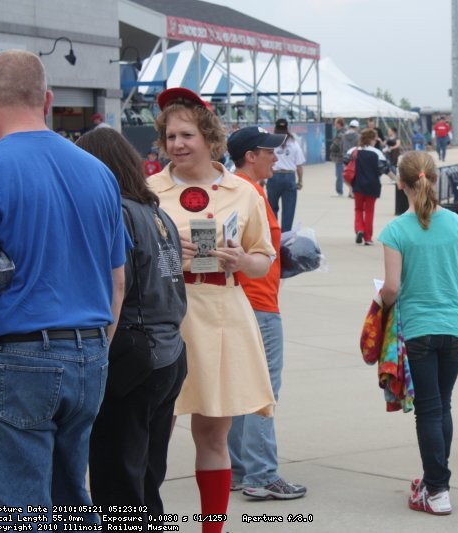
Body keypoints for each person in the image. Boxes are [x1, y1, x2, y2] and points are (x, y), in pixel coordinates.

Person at [0, 50, 126, 524]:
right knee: (70, 495)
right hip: (89, 354)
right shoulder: (98, 171)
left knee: (19, 505)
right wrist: (98, 346)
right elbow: (117, 279)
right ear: (46, 99)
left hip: (20, 354)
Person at [146, 87, 276, 533]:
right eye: (169, 137)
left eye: (186, 135)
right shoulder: (149, 192)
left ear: (208, 137)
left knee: (213, 433)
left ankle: (212, 529)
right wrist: (168, 254)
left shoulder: (243, 192)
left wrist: (243, 261)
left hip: (221, 311)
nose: (177, 144)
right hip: (165, 315)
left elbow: (265, 258)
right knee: (151, 433)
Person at [75, 127, 188, 520]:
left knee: (116, 482)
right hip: (169, 352)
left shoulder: (118, 212)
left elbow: (114, 288)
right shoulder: (157, 213)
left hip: (133, 355)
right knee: (147, 477)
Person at [379, 150, 458, 515]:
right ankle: (436, 480)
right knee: (442, 406)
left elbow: (391, 288)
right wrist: (448, 302)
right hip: (454, 327)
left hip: (418, 330)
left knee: (428, 411)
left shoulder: (395, 231)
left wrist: (383, 307)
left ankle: (437, 489)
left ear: (400, 184)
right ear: (433, 179)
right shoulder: (456, 224)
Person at [226, 126, 307, 501]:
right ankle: (261, 473)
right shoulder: (250, 194)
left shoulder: (233, 191)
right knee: (261, 392)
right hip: (257, 304)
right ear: (250, 156)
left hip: (244, 300)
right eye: (270, 151)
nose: (277, 156)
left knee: (240, 389)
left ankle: (241, 469)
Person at [345, 127, 390, 245]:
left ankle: (359, 229)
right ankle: (368, 238)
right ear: (371, 139)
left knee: (358, 209)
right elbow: (384, 169)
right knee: (369, 211)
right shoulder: (377, 153)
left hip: (358, 185)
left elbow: (346, 164)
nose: (376, 141)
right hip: (373, 185)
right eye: (375, 139)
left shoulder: (353, 151)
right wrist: (396, 179)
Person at [268, 118, 305, 232]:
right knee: (288, 210)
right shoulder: (293, 143)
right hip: (289, 177)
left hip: (273, 176)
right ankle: (285, 237)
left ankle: (273, 234)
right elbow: (299, 165)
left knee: (272, 209)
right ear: (287, 128)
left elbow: (264, 161)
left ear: (275, 127)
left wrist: (263, 179)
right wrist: (300, 180)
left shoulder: (270, 141)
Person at [340, 119, 361, 198]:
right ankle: (352, 191)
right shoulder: (358, 136)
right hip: (354, 157)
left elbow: (341, 146)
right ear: (356, 127)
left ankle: (350, 190)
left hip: (345, 156)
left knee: (347, 175)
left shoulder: (344, 135)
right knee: (354, 175)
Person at [328, 117, 347, 197]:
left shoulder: (340, 134)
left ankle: (340, 191)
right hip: (343, 156)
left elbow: (335, 146)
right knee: (340, 174)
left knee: (339, 175)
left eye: (335, 123)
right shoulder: (344, 132)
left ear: (339, 124)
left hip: (340, 157)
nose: (334, 125)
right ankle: (341, 190)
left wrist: (331, 147)